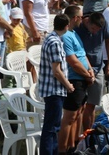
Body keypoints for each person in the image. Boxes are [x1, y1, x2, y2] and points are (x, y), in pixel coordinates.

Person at [59, 5, 95, 154]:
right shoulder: (66, 35)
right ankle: (62, 150)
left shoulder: (74, 33)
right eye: (81, 17)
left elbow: (82, 54)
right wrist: (88, 75)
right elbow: (72, 61)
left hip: (83, 78)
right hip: (74, 79)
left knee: (78, 113)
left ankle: (73, 146)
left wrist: (90, 70)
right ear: (75, 18)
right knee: (70, 116)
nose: (82, 20)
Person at [39, 13, 75, 155]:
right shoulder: (55, 42)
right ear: (67, 26)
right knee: (51, 127)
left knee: (54, 126)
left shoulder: (51, 39)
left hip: (53, 89)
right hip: (54, 90)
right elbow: (56, 71)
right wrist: (68, 85)